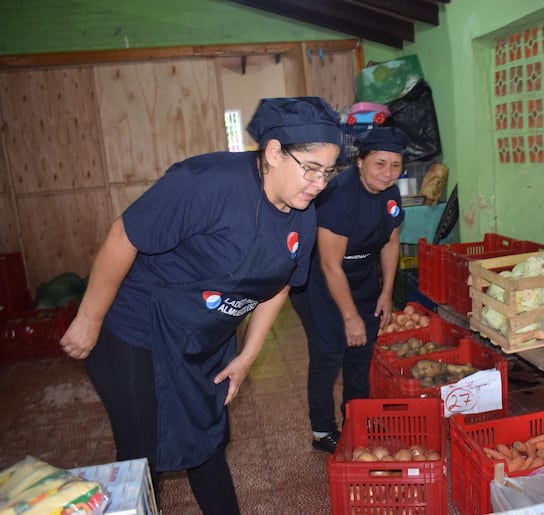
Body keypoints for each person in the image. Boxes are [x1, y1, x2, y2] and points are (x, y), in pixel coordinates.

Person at [59, 96, 343, 514]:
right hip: (137, 331)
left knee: (205, 440)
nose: (320, 183)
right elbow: (123, 236)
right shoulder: (204, 183)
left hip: (201, 338)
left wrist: (247, 356)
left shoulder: (303, 214)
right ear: (274, 152)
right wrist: (88, 318)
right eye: (312, 168)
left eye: (329, 172)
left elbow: (280, 285)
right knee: (144, 455)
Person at [290, 126, 409, 454]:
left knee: (361, 352)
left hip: (360, 278)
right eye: (380, 164)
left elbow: (391, 241)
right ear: (360, 161)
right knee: (329, 353)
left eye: (396, 165)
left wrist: (386, 292)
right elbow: (330, 265)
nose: (388, 173)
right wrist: (350, 316)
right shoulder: (339, 196)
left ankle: (357, 417)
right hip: (318, 282)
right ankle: (322, 429)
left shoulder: (390, 194)